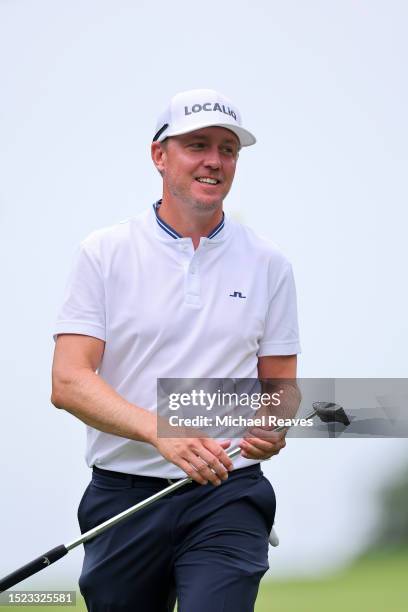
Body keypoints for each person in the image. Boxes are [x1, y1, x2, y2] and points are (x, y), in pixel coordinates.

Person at [51, 88, 301, 612]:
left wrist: (274, 423)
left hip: (228, 492)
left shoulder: (268, 262)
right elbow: (69, 381)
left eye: (228, 149)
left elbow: (280, 386)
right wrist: (161, 431)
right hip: (124, 496)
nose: (214, 160)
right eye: (197, 145)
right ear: (159, 155)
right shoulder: (104, 252)